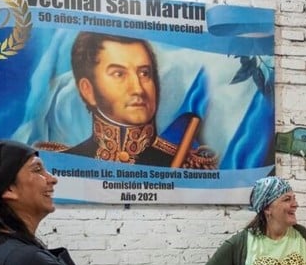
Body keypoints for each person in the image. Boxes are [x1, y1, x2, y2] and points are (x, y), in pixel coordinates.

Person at [38, 32, 217, 169]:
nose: (138, 88)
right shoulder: (61, 164)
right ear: (88, 90)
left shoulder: (191, 164)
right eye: (119, 74)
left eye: (144, 73)